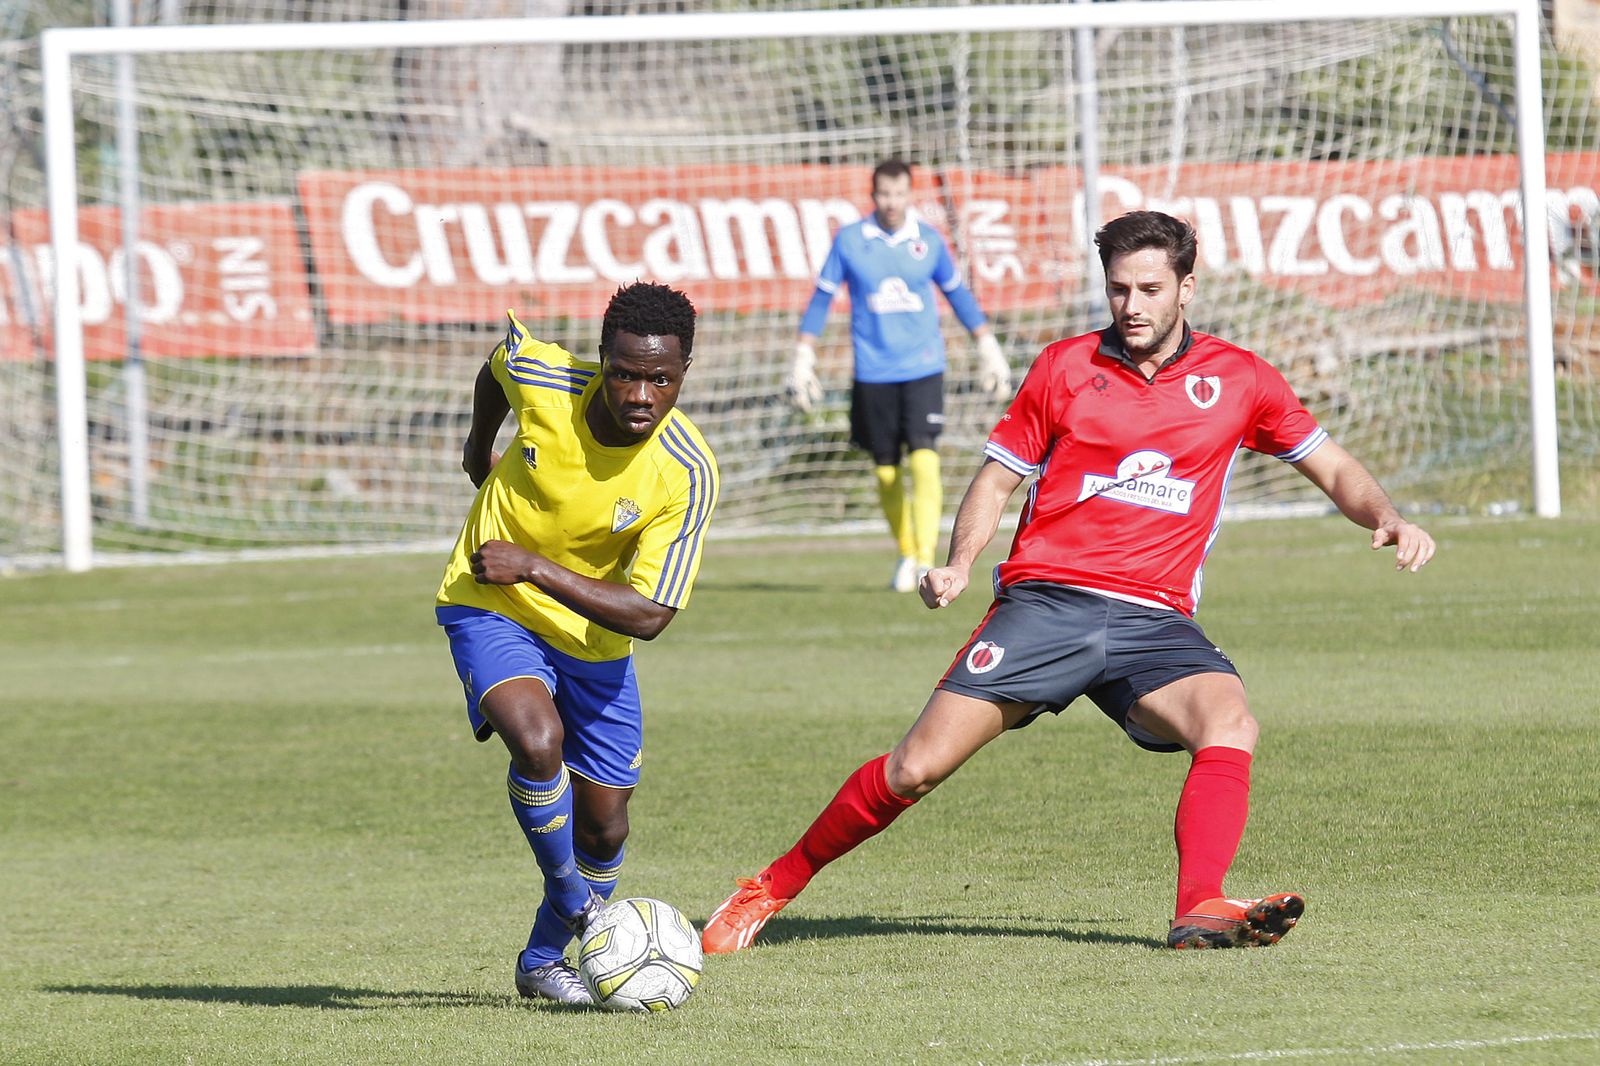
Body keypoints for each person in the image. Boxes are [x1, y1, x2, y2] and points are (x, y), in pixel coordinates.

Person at [703, 210, 1435, 955]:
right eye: (1119, 290)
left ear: (1187, 286)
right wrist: (959, 562)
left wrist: (1388, 517)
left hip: (1155, 619)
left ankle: (1199, 909)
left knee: (1231, 723)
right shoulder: (1063, 368)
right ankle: (770, 888)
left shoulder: (1241, 378)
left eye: (1151, 288)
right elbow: (995, 481)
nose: (1133, 306)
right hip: (1048, 604)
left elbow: (1334, 464)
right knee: (914, 768)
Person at [435, 282, 719, 1003]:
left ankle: (539, 962)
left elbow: (651, 614)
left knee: (604, 828)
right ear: (601, 361)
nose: (641, 394)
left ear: (684, 373)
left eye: (662, 378)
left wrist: (534, 562)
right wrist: (480, 447)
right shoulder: (545, 377)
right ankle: (578, 909)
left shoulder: (686, 470)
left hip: (596, 639)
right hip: (491, 602)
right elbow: (497, 368)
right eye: (625, 372)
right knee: (536, 741)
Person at [788, 158, 1012, 592]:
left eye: (899, 194)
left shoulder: (928, 242)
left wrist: (987, 345)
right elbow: (821, 297)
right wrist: (803, 354)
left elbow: (957, 294)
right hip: (872, 372)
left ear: (910, 196)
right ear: (874, 197)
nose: (892, 203)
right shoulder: (851, 241)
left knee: (926, 459)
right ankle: (908, 551)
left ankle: (925, 558)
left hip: (924, 367)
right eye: (884, 195)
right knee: (886, 471)